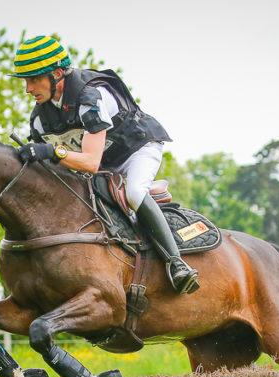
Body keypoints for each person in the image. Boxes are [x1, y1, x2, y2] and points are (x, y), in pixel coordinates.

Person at [10, 35, 199, 295]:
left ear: (56, 74)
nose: (28, 89)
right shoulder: (40, 118)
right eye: (25, 81)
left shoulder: (91, 96)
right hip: (104, 164)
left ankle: (177, 264)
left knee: (134, 192)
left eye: (33, 79)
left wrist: (51, 150)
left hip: (136, 150)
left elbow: (89, 162)